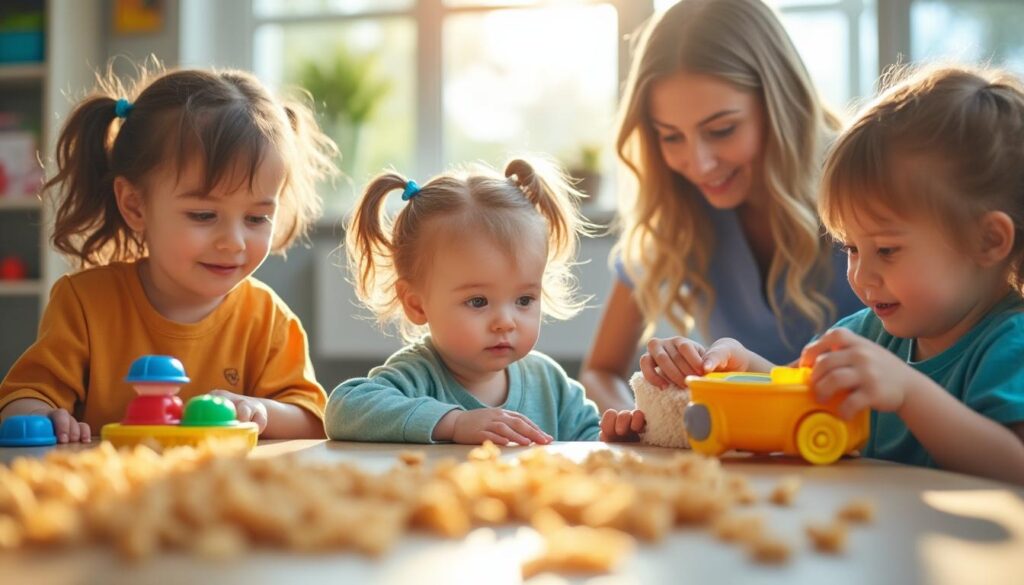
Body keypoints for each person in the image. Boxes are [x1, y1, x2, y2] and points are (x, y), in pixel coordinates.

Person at [608, 65, 1024, 485]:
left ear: (988, 240)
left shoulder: (1010, 343)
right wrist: (739, 363)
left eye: (886, 250)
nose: (861, 275)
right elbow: (795, 392)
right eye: (850, 249)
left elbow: (1015, 466)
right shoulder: (868, 334)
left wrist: (908, 392)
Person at [0, 64, 339, 442]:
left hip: (220, 493)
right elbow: (21, 399)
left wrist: (261, 410)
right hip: (105, 490)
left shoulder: (267, 318)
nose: (234, 242)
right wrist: (42, 415)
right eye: (204, 215)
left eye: (257, 217)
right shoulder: (84, 303)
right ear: (135, 206)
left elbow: (313, 419)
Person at [581, 0, 863, 412]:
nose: (698, 164)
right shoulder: (679, 210)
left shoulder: (866, 184)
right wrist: (640, 422)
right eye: (671, 136)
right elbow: (600, 371)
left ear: (780, 107)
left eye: (722, 130)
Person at [325, 158, 632, 444]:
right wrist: (455, 423)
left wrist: (616, 438)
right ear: (417, 304)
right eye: (478, 302)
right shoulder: (418, 375)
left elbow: (589, 440)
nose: (505, 322)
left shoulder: (550, 384)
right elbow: (343, 409)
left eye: (524, 299)